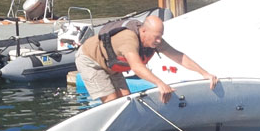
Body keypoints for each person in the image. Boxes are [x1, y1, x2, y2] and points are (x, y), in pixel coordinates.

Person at [76, 15, 218, 104]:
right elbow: (137, 67)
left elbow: (178, 56)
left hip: (111, 65)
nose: (158, 41)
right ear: (143, 31)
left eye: (160, 36)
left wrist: (204, 73)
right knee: (113, 103)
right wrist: (160, 83)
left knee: (126, 100)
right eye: (156, 37)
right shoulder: (128, 39)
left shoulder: (154, 40)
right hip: (91, 60)